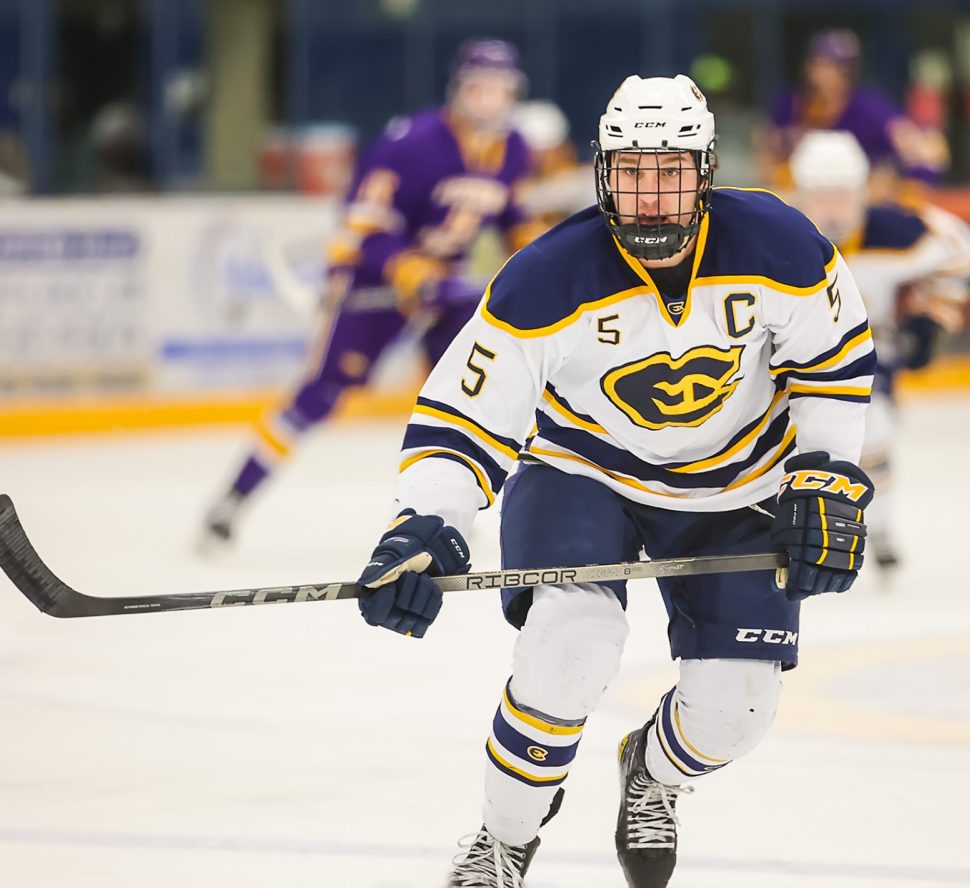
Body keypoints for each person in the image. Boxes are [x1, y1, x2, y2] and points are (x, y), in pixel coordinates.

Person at [355, 75, 878, 887]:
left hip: (739, 486)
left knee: (735, 713)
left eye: (671, 172)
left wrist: (824, 479)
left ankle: (653, 773)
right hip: (582, 473)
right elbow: (464, 414)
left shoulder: (783, 246)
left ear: (705, 172)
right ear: (604, 173)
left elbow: (835, 367)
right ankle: (502, 841)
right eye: (632, 171)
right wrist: (425, 523)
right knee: (569, 647)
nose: (651, 195)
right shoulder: (545, 278)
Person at [201, 38, 538, 547]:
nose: (489, 99)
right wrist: (402, 266)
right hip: (377, 282)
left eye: (500, 89)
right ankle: (234, 498)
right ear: (460, 90)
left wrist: (536, 258)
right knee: (323, 392)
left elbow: (513, 217)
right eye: (478, 87)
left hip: (445, 287)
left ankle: (458, 509)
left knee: (475, 390)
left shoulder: (514, 149)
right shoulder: (412, 143)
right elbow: (365, 223)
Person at [787, 130, 970, 569]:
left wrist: (933, 318)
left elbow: (962, 251)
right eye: (822, 195)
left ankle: (881, 528)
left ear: (862, 190)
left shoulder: (896, 230)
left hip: (867, 359)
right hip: (789, 362)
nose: (834, 207)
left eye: (843, 194)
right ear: (801, 193)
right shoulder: (781, 238)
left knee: (873, 433)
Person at [759, 29, 948, 205]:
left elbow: (932, 150)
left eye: (838, 68)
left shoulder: (868, 109)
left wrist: (901, 189)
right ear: (809, 67)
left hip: (856, 206)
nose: (827, 74)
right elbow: (764, 156)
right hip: (801, 204)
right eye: (822, 65)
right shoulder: (789, 105)